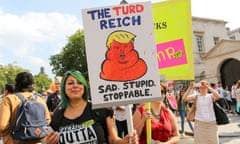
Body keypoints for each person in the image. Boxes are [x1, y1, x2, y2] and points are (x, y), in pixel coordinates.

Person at [45, 70, 138, 144]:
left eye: (79, 83)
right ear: (63, 88)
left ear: (84, 87)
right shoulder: (58, 115)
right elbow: (51, 138)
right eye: (70, 83)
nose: (75, 86)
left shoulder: (100, 109)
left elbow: (113, 140)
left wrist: (124, 141)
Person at [0, 72, 51, 144]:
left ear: (16, 84)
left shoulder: (9, 99)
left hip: (15, 141)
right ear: (32, 85)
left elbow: (2, 125)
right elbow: (47, 120)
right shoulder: (40, 100)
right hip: (37, 140)